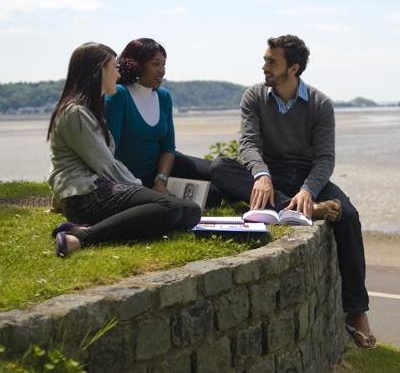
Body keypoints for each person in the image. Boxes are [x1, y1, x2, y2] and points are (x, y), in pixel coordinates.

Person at [211, 35, 376, 349]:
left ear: (294, 68)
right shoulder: (253, 97)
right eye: (265, 60)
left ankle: (356, 311)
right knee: (219, 167)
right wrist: (261, 175)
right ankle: (304, 209)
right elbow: (248, 145)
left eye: (272, 61)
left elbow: (325, 158)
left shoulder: (320, 104)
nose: (264, 66)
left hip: (306, 175)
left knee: (350, 216)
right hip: (269, 176)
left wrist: (308, 189)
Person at [47, 42, 201, 258]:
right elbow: (107, 165)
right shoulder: (75, 114)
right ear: (99, 70)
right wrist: (140, 189)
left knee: (191, 210)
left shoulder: (90, 110)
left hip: (101, 191)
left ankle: (87, 227)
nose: (119, 75)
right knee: (170, 208)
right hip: (86, 196)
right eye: (114, 68)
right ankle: (80, 237)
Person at [104, 38, 221, 206]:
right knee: (211, 196)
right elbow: (109, 151)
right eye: (155, 64)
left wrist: (161, 180)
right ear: (136, 64)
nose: (162, 71)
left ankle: (266, 195)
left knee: (220, 173)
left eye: (164, 64)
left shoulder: (163, 96)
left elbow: (168, 148)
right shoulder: (119, 95)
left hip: (161, 170)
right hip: (129, 179)